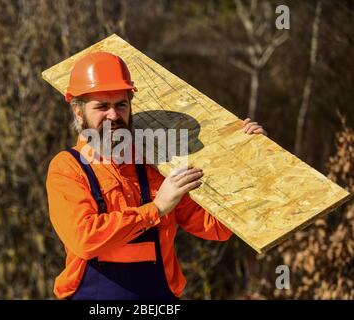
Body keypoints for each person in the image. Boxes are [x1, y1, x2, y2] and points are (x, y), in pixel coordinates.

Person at [46, 51, 267, 300]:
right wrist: (156, 209)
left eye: (121, 104)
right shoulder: (68, 168)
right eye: (101, 107)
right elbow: (84, 238)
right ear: (78, 111)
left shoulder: (155, 167)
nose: (113, 115)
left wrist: (248, 159)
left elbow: (218, 228)